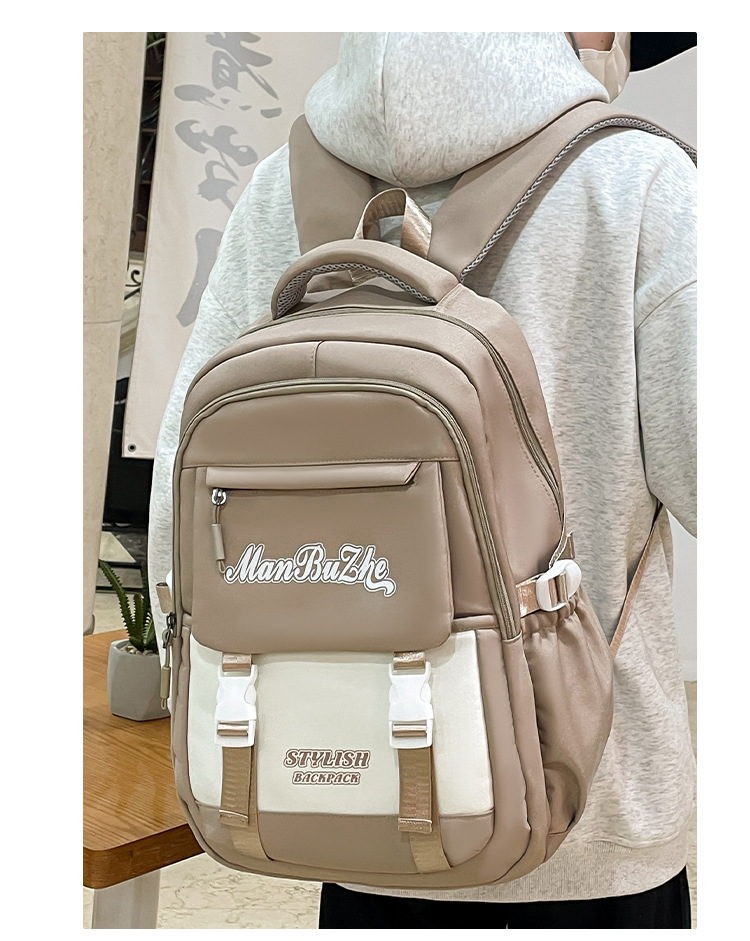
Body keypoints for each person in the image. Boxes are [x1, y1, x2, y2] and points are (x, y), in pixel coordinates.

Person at [148, 32, 696, 929]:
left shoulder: (281, 188)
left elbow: (179, 503)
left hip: (344, 806)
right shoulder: (638, 180)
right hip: (588, 824)